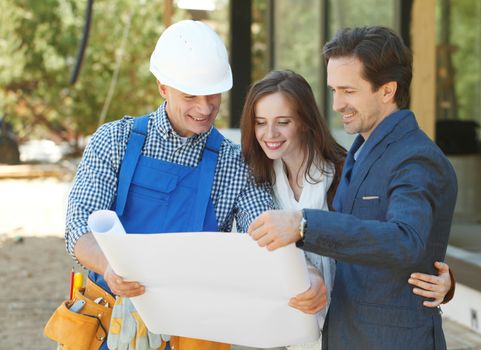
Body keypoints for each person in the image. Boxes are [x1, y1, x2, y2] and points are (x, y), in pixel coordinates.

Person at [65, 20, 325, 350]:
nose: (204, 108)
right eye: (190, 96)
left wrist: (309, 275)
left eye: (213, 94)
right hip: (110, 324)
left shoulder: (235, 163)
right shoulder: (114, 140)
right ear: (163, 87)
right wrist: (108, 266)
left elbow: (268, 233)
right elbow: (78, 227)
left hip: (195, 333)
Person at [248, 27, 458, 350]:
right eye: (333, 90)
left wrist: (303, 224)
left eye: (347, 91)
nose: (335, 104)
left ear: (387, 90)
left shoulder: (415, 157)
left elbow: (406, 240)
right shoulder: (362, 151)